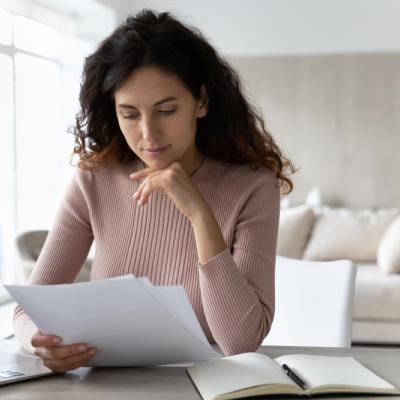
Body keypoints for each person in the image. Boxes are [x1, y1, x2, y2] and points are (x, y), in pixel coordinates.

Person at [13, 9, 294, 373]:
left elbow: (240, 342)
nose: (149, 134)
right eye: (130, 114)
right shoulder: (93, 181)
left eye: (167, 110)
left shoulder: (253, 188)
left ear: (202, 102)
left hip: (206, 387)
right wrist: (43, 343)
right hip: (109, 388)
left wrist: (198, 212)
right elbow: (26, 310)